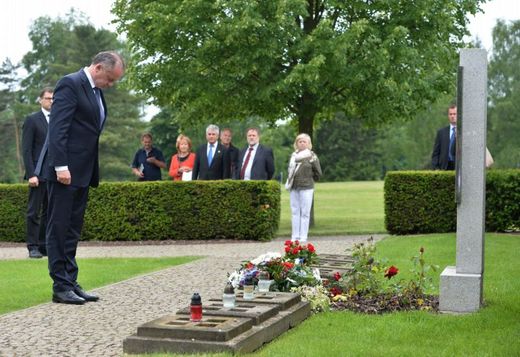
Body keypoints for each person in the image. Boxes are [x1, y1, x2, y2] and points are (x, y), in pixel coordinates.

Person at [36, 51, 125, 305]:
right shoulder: (70, 83)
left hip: (82, 172)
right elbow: (58, 128)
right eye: (110, 78)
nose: (111, 84)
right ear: (98, 68)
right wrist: (61, 166)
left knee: (72, 230)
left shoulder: (96, 91)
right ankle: (60, 286)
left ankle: (70, 280)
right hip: (64, 171)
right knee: (59, 227)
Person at [22, 87, 53, 259]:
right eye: (48, 98)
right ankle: (32, 246)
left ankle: (43, 245)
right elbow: (26, 150)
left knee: (49, 212)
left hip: (53, 174)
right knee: (33, 212)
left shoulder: (57, 120)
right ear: (40, 100)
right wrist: (31, 173)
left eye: (53, 99)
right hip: (37, 173)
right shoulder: (32, 120)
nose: (51, 101)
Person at [285, 133, 322, 243]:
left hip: (307, 187)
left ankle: (303, 236)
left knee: (305, 213)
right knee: (295, 212)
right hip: (294, 187)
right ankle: (295, 236)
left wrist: (309, 180)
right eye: (299, 141)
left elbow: (318, 172)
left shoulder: (312, 156)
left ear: (308, 143)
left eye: (304, 141)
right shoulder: (293, 156)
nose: (301, 143)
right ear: (296, 143)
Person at [432, 104, 457, 170]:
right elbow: (436, 153)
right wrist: (436, 168)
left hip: (458, 168)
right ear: (448, 116)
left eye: (454, 114)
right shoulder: (441, 132)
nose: (452, 116)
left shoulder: (464, 132)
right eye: (450, 114)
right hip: (443, 167)